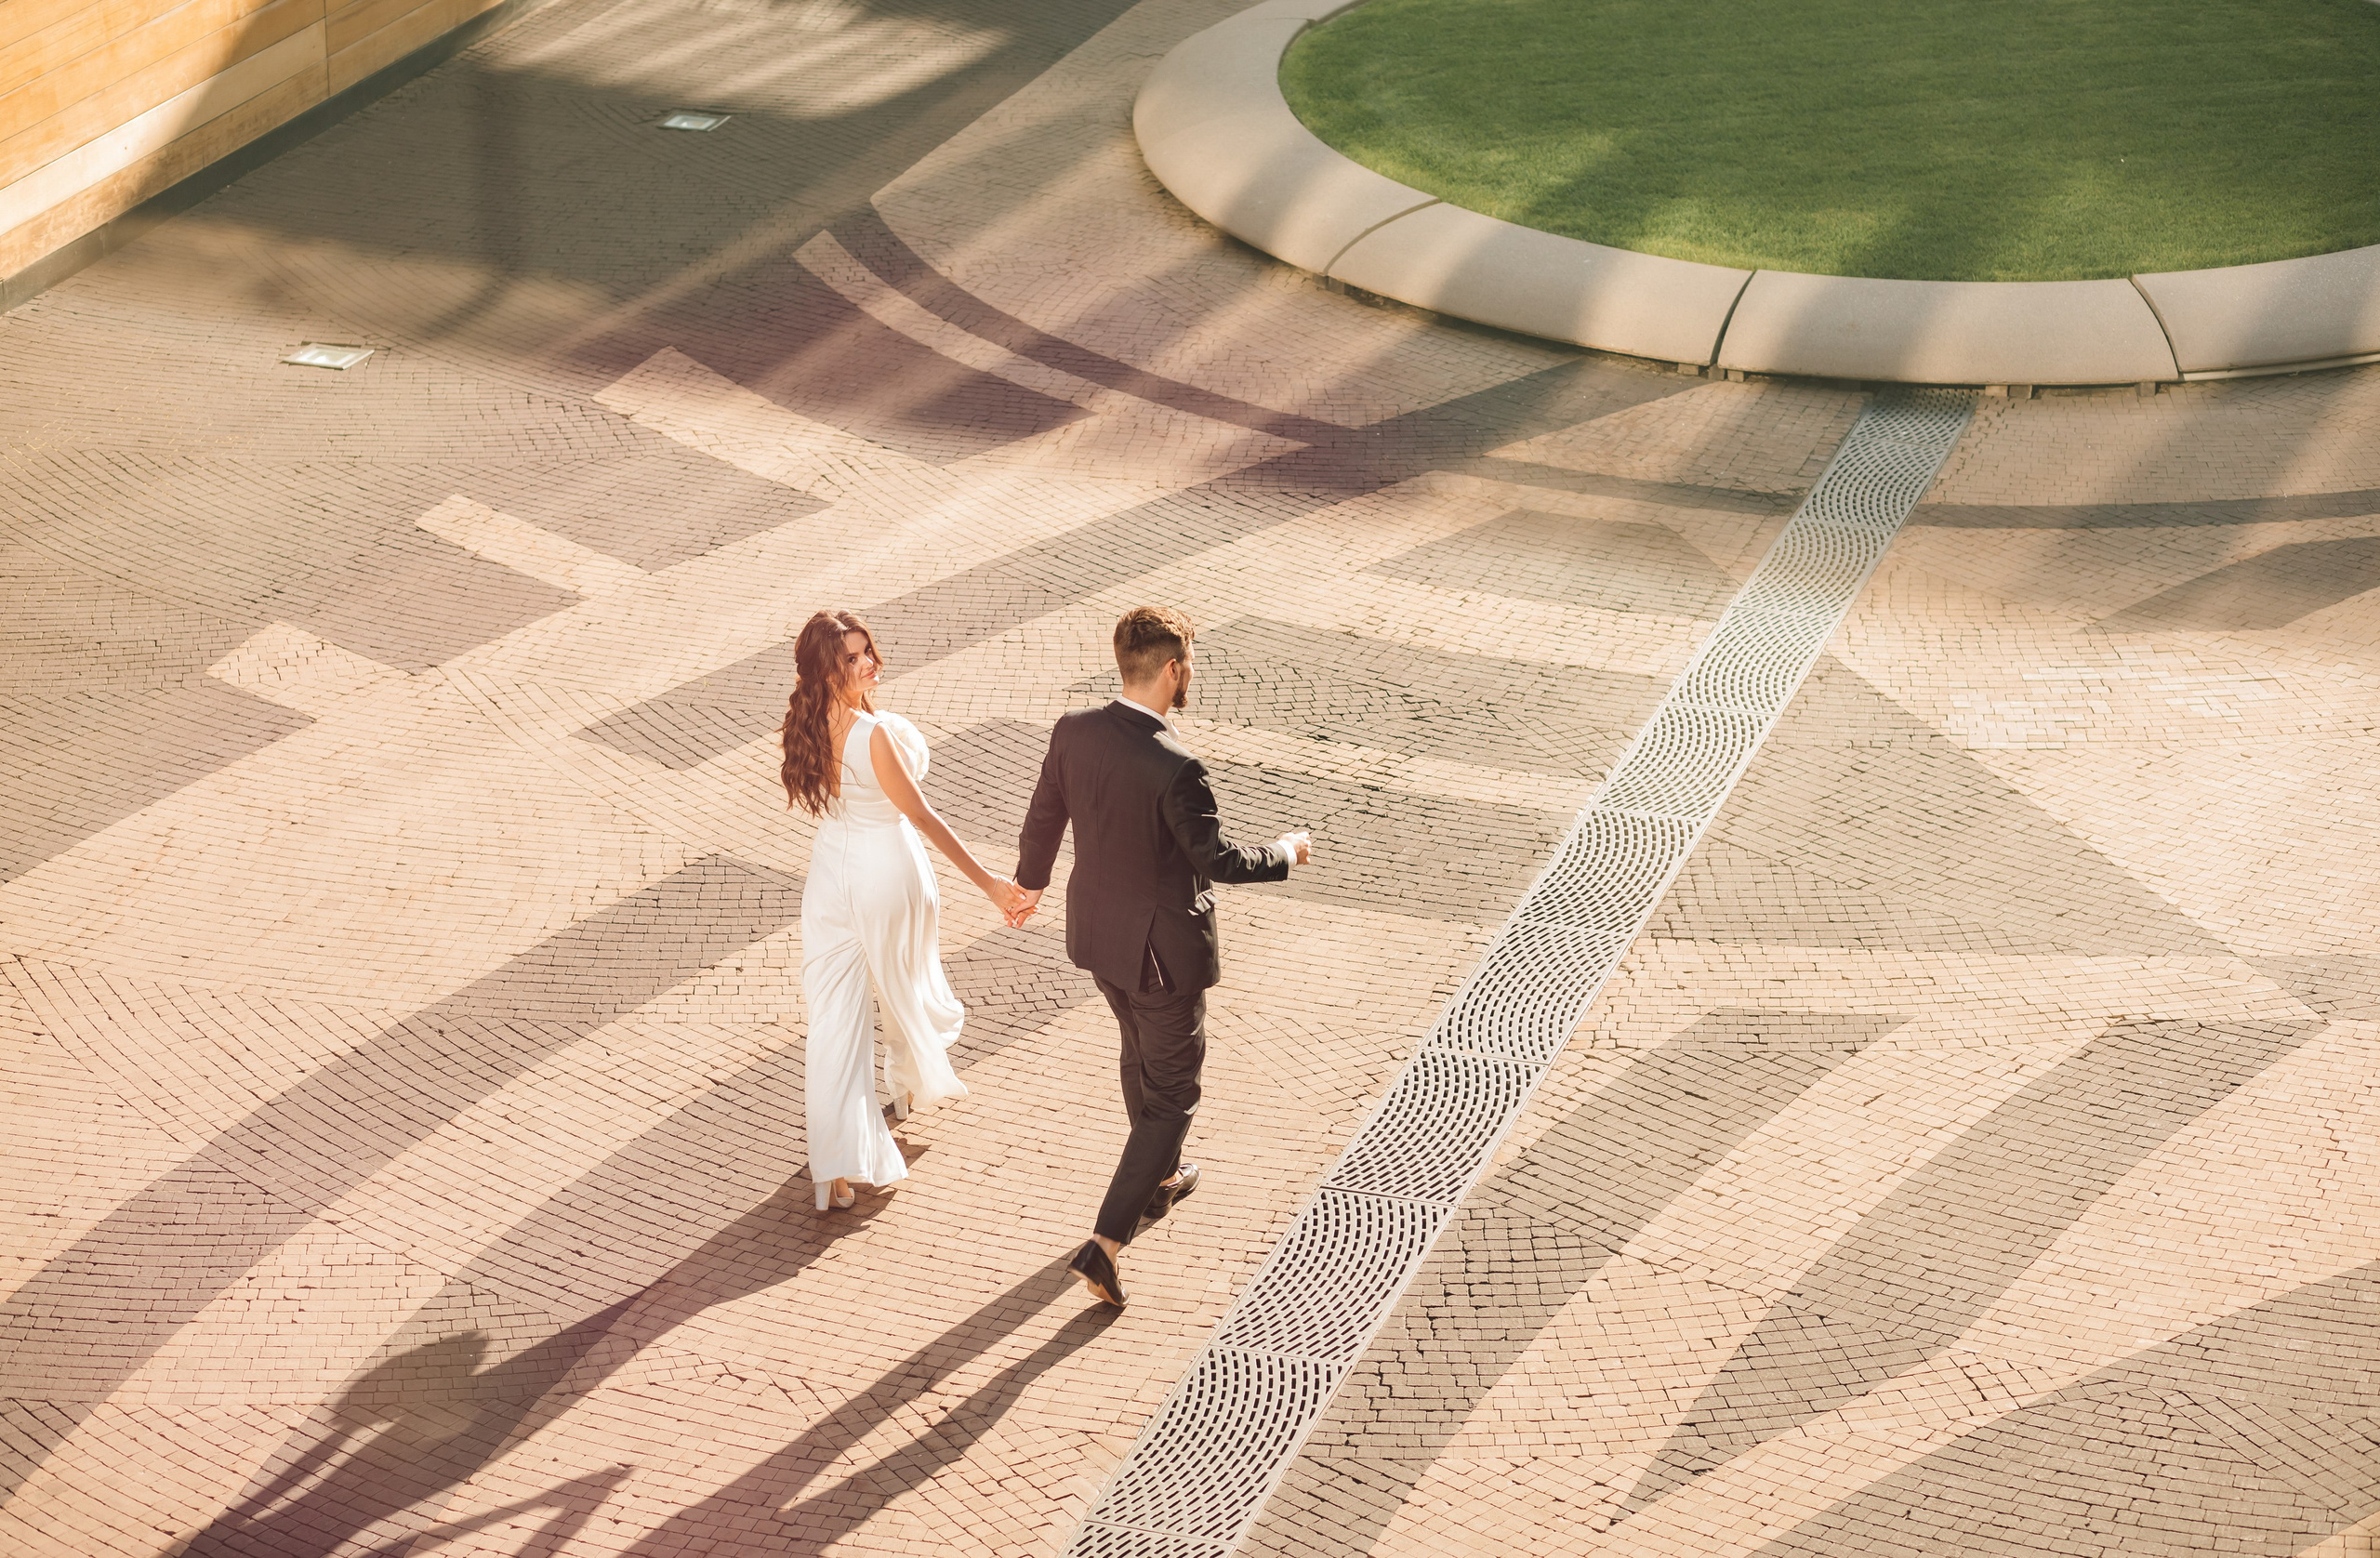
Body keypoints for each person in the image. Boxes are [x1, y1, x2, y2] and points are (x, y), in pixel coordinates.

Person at [1012, 605, 1313, 1306]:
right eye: (1190, 665)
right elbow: (1217, 860)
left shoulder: (1073, 731)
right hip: (1160, 958)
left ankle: (1162, 1179)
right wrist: (1284, 852)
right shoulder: (1176, 766)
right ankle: (1105, 1244)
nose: (1190, 674)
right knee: (1173, 1095)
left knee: (1138, 1054)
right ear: (1173, 669)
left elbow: (1044, 816)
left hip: (1098, 939)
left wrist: (1029, 886)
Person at [781, 610, 1025, 1211]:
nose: (868, 663)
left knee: (834, 1018)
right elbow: (922, 817)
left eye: (867, 651)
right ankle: (910, 1080)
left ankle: (835, 1167)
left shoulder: (806, 723)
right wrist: (991, 884)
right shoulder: (872, 735)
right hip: (884, 872)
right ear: (827, 669)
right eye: (851, 658)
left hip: (829, 875)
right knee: (907, 990)